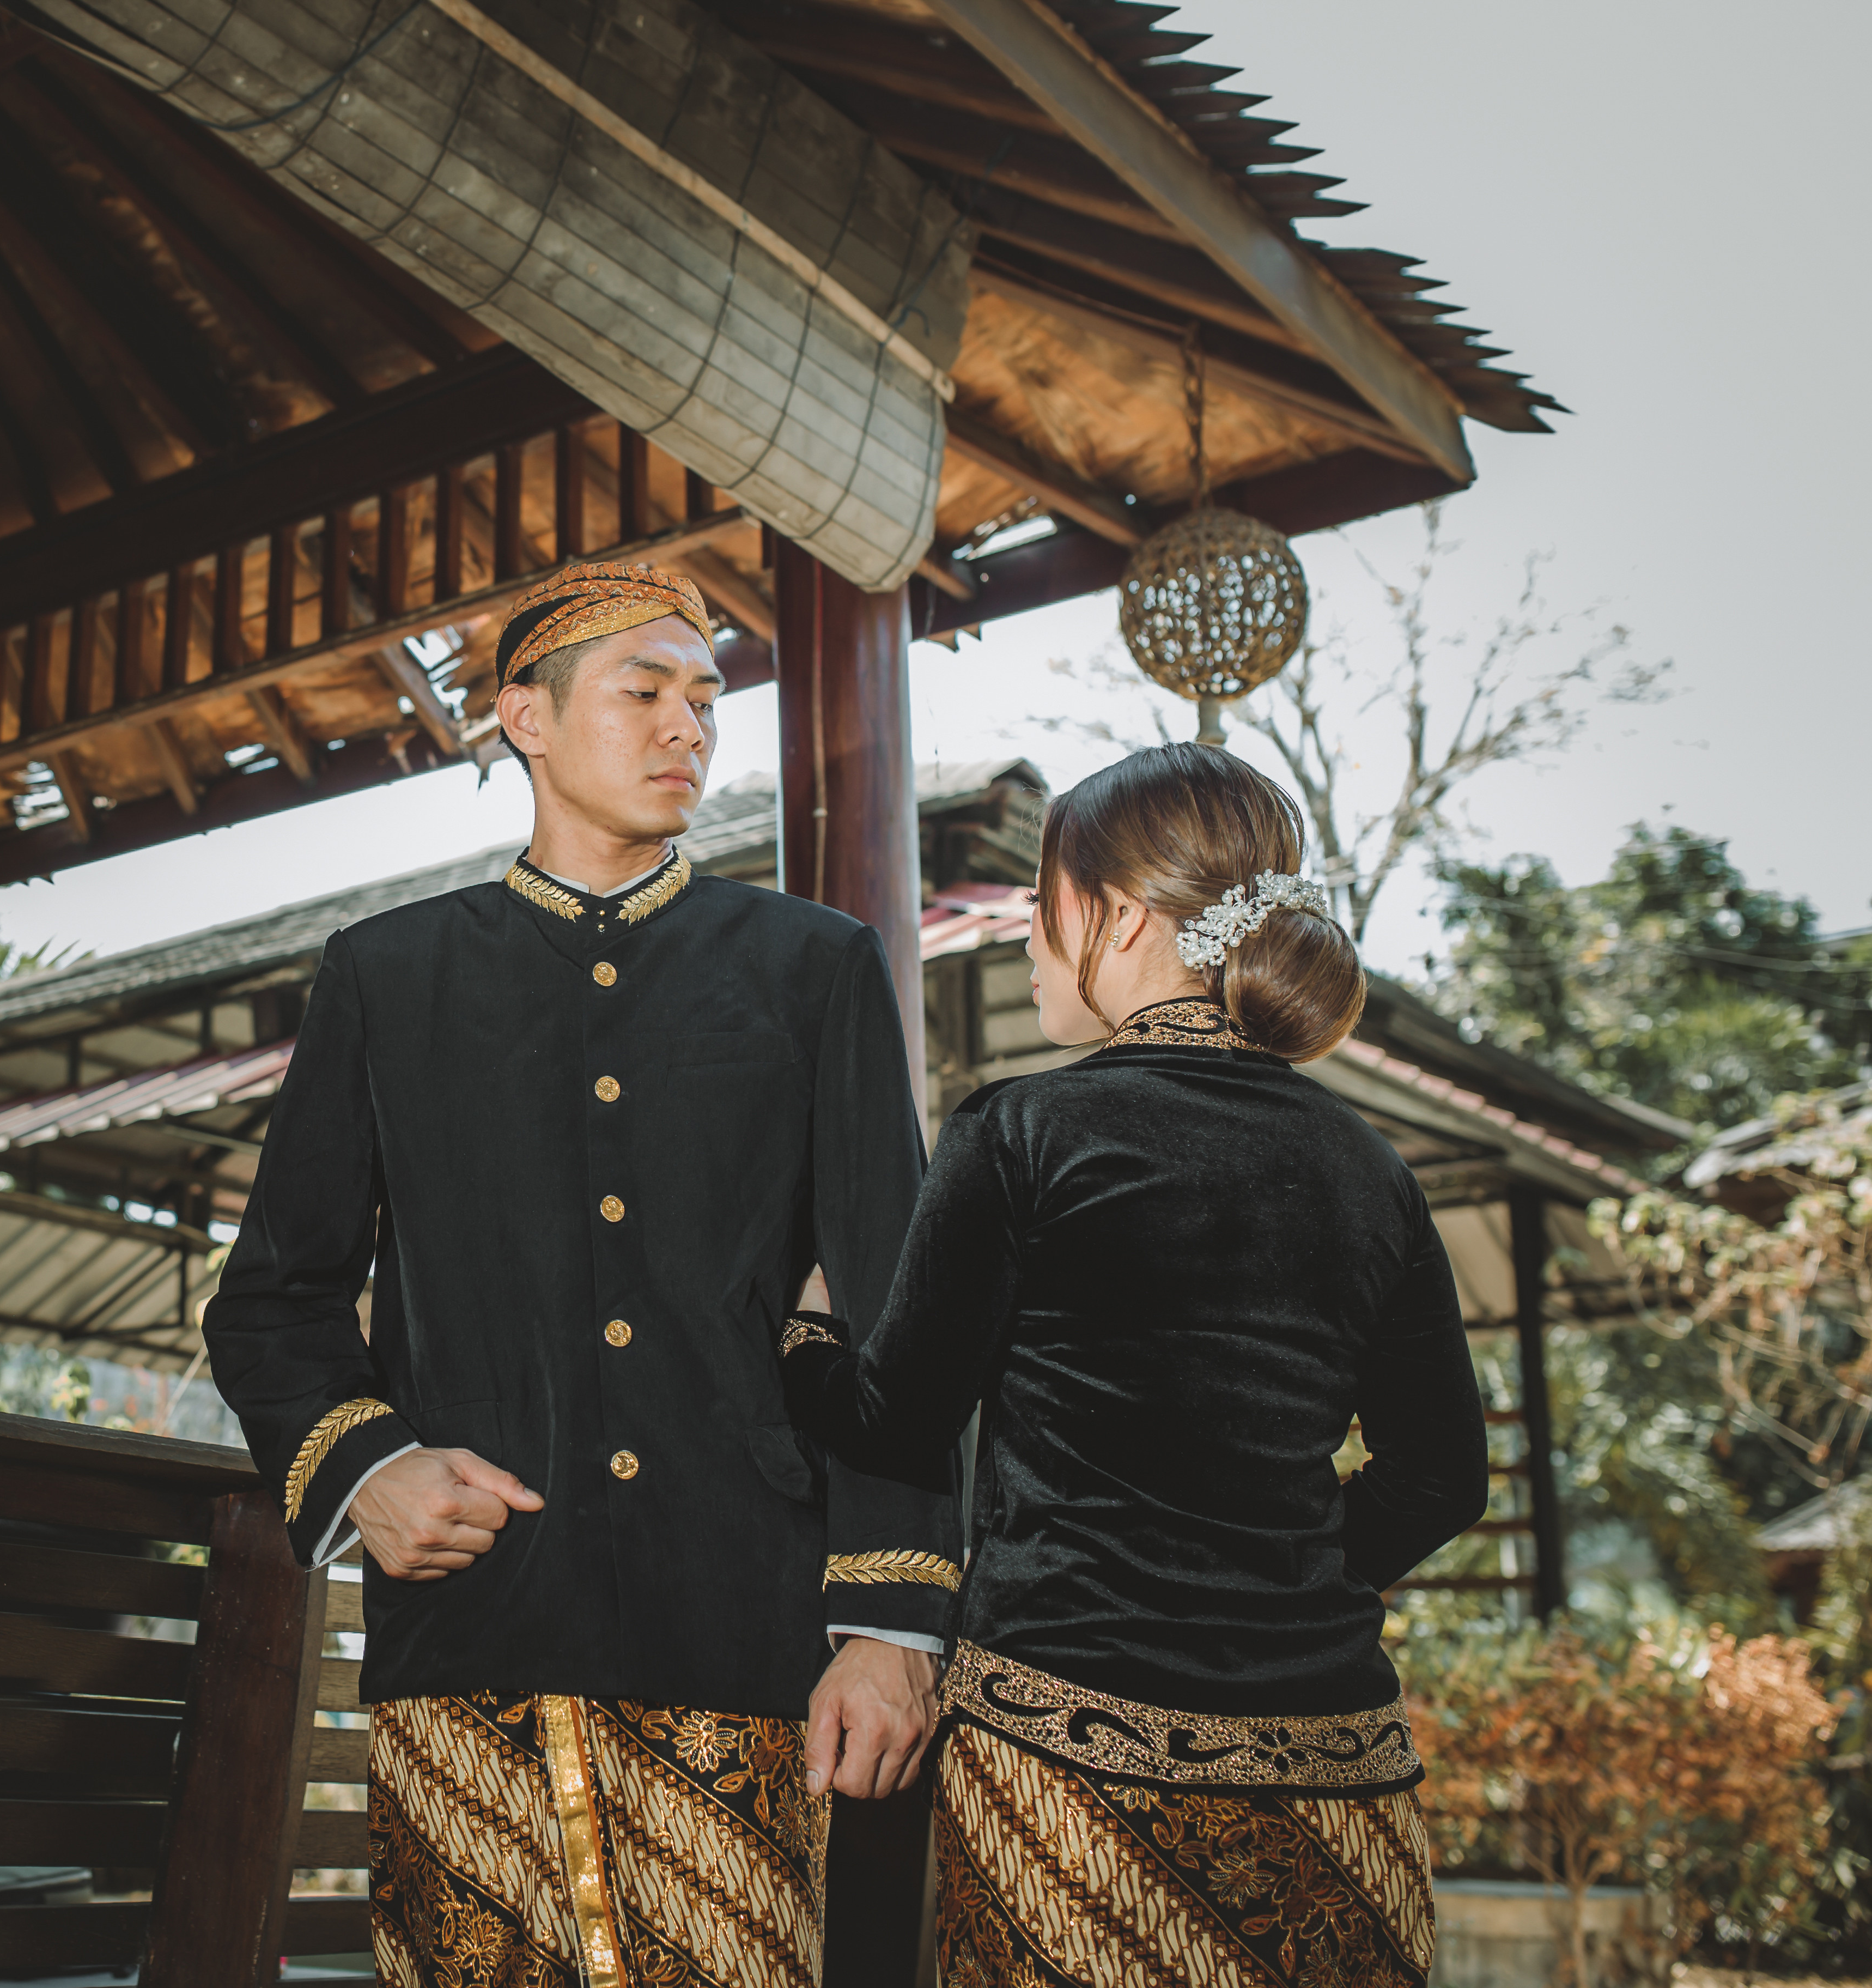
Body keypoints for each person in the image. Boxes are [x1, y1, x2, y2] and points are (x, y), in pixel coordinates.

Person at [202, 560, 961, 1988]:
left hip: (745, 1621)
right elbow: (274, 1298)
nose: (689, 725)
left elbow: (897, 1324)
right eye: (644, 689)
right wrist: (368, 1465)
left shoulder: (814, 969)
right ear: (527, 720)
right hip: (474, 1620)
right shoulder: (386, 977)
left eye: (707, 699)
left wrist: (888, 1620)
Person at [775, 743, 1490, 1988]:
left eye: (1040, 903)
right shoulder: (1372, 1169)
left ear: (1112, 915)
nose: (1029, 937)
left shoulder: (1022, 1132)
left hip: (1073, 1777)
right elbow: (1442, 1480)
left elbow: (897, 1423)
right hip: (1336, 1776)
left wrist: (803, 1336)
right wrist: (1288, 1578)